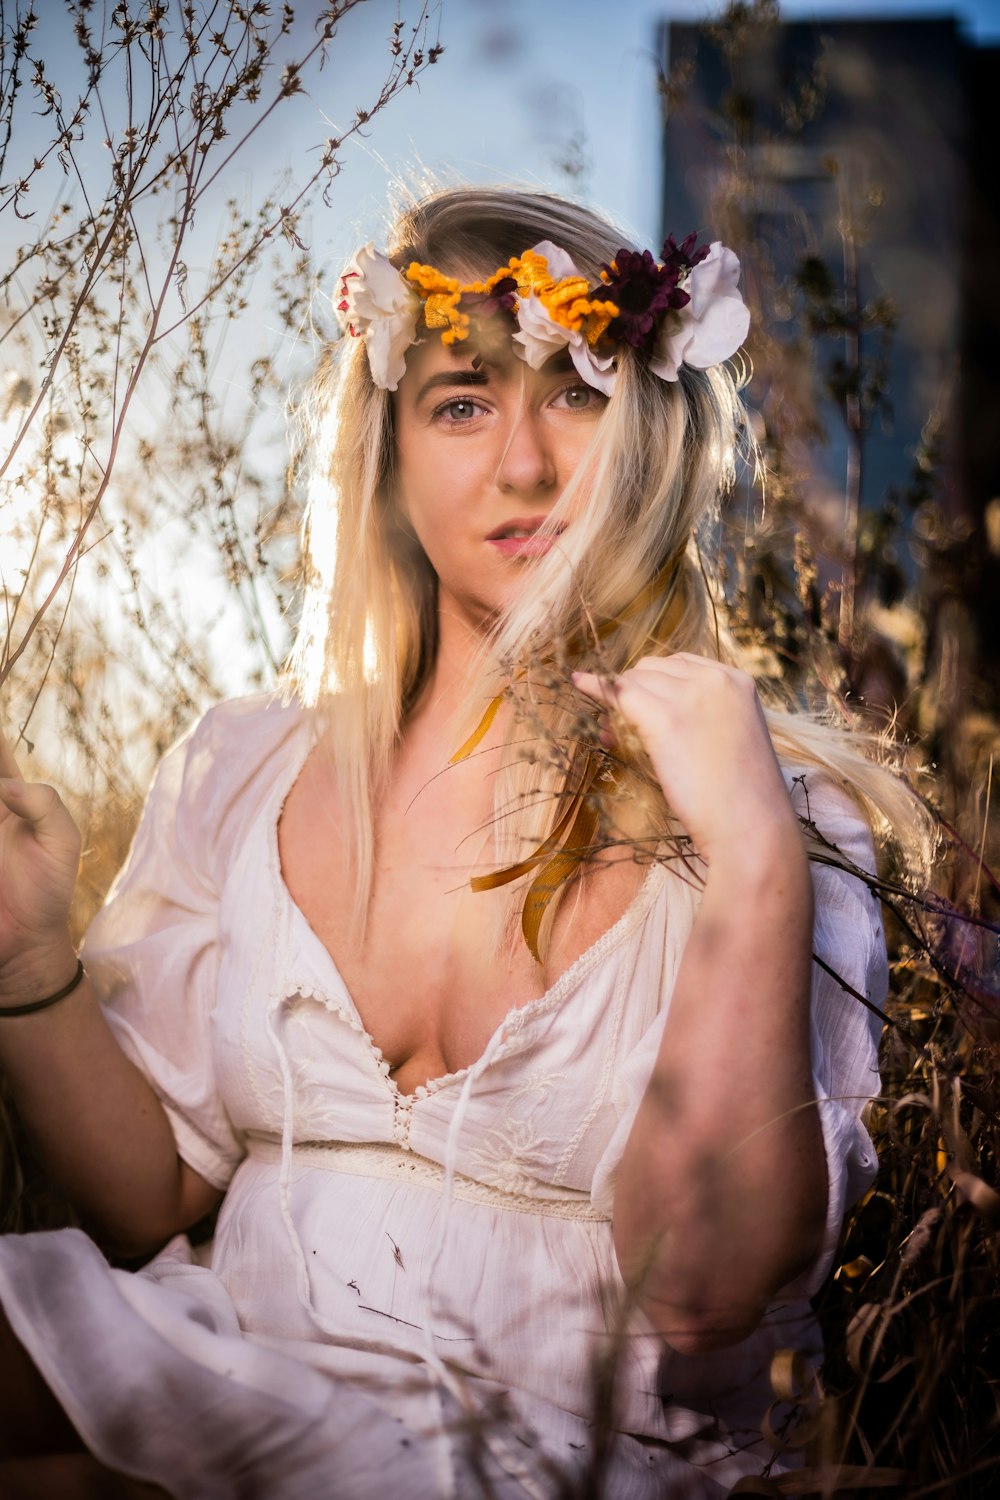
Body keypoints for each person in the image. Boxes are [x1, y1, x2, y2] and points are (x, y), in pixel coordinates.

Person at [0, 186, 929, 1499]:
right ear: (388, 454)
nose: (525, 464)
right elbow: (152, 1194)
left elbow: (708, 1300)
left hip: (584, 1457)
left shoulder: (772, 812)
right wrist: (29, 960)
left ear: (653, 425)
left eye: (575, 390)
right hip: (259, 1371)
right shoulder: (251, 766)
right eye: (461, 401)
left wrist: (755, 862)